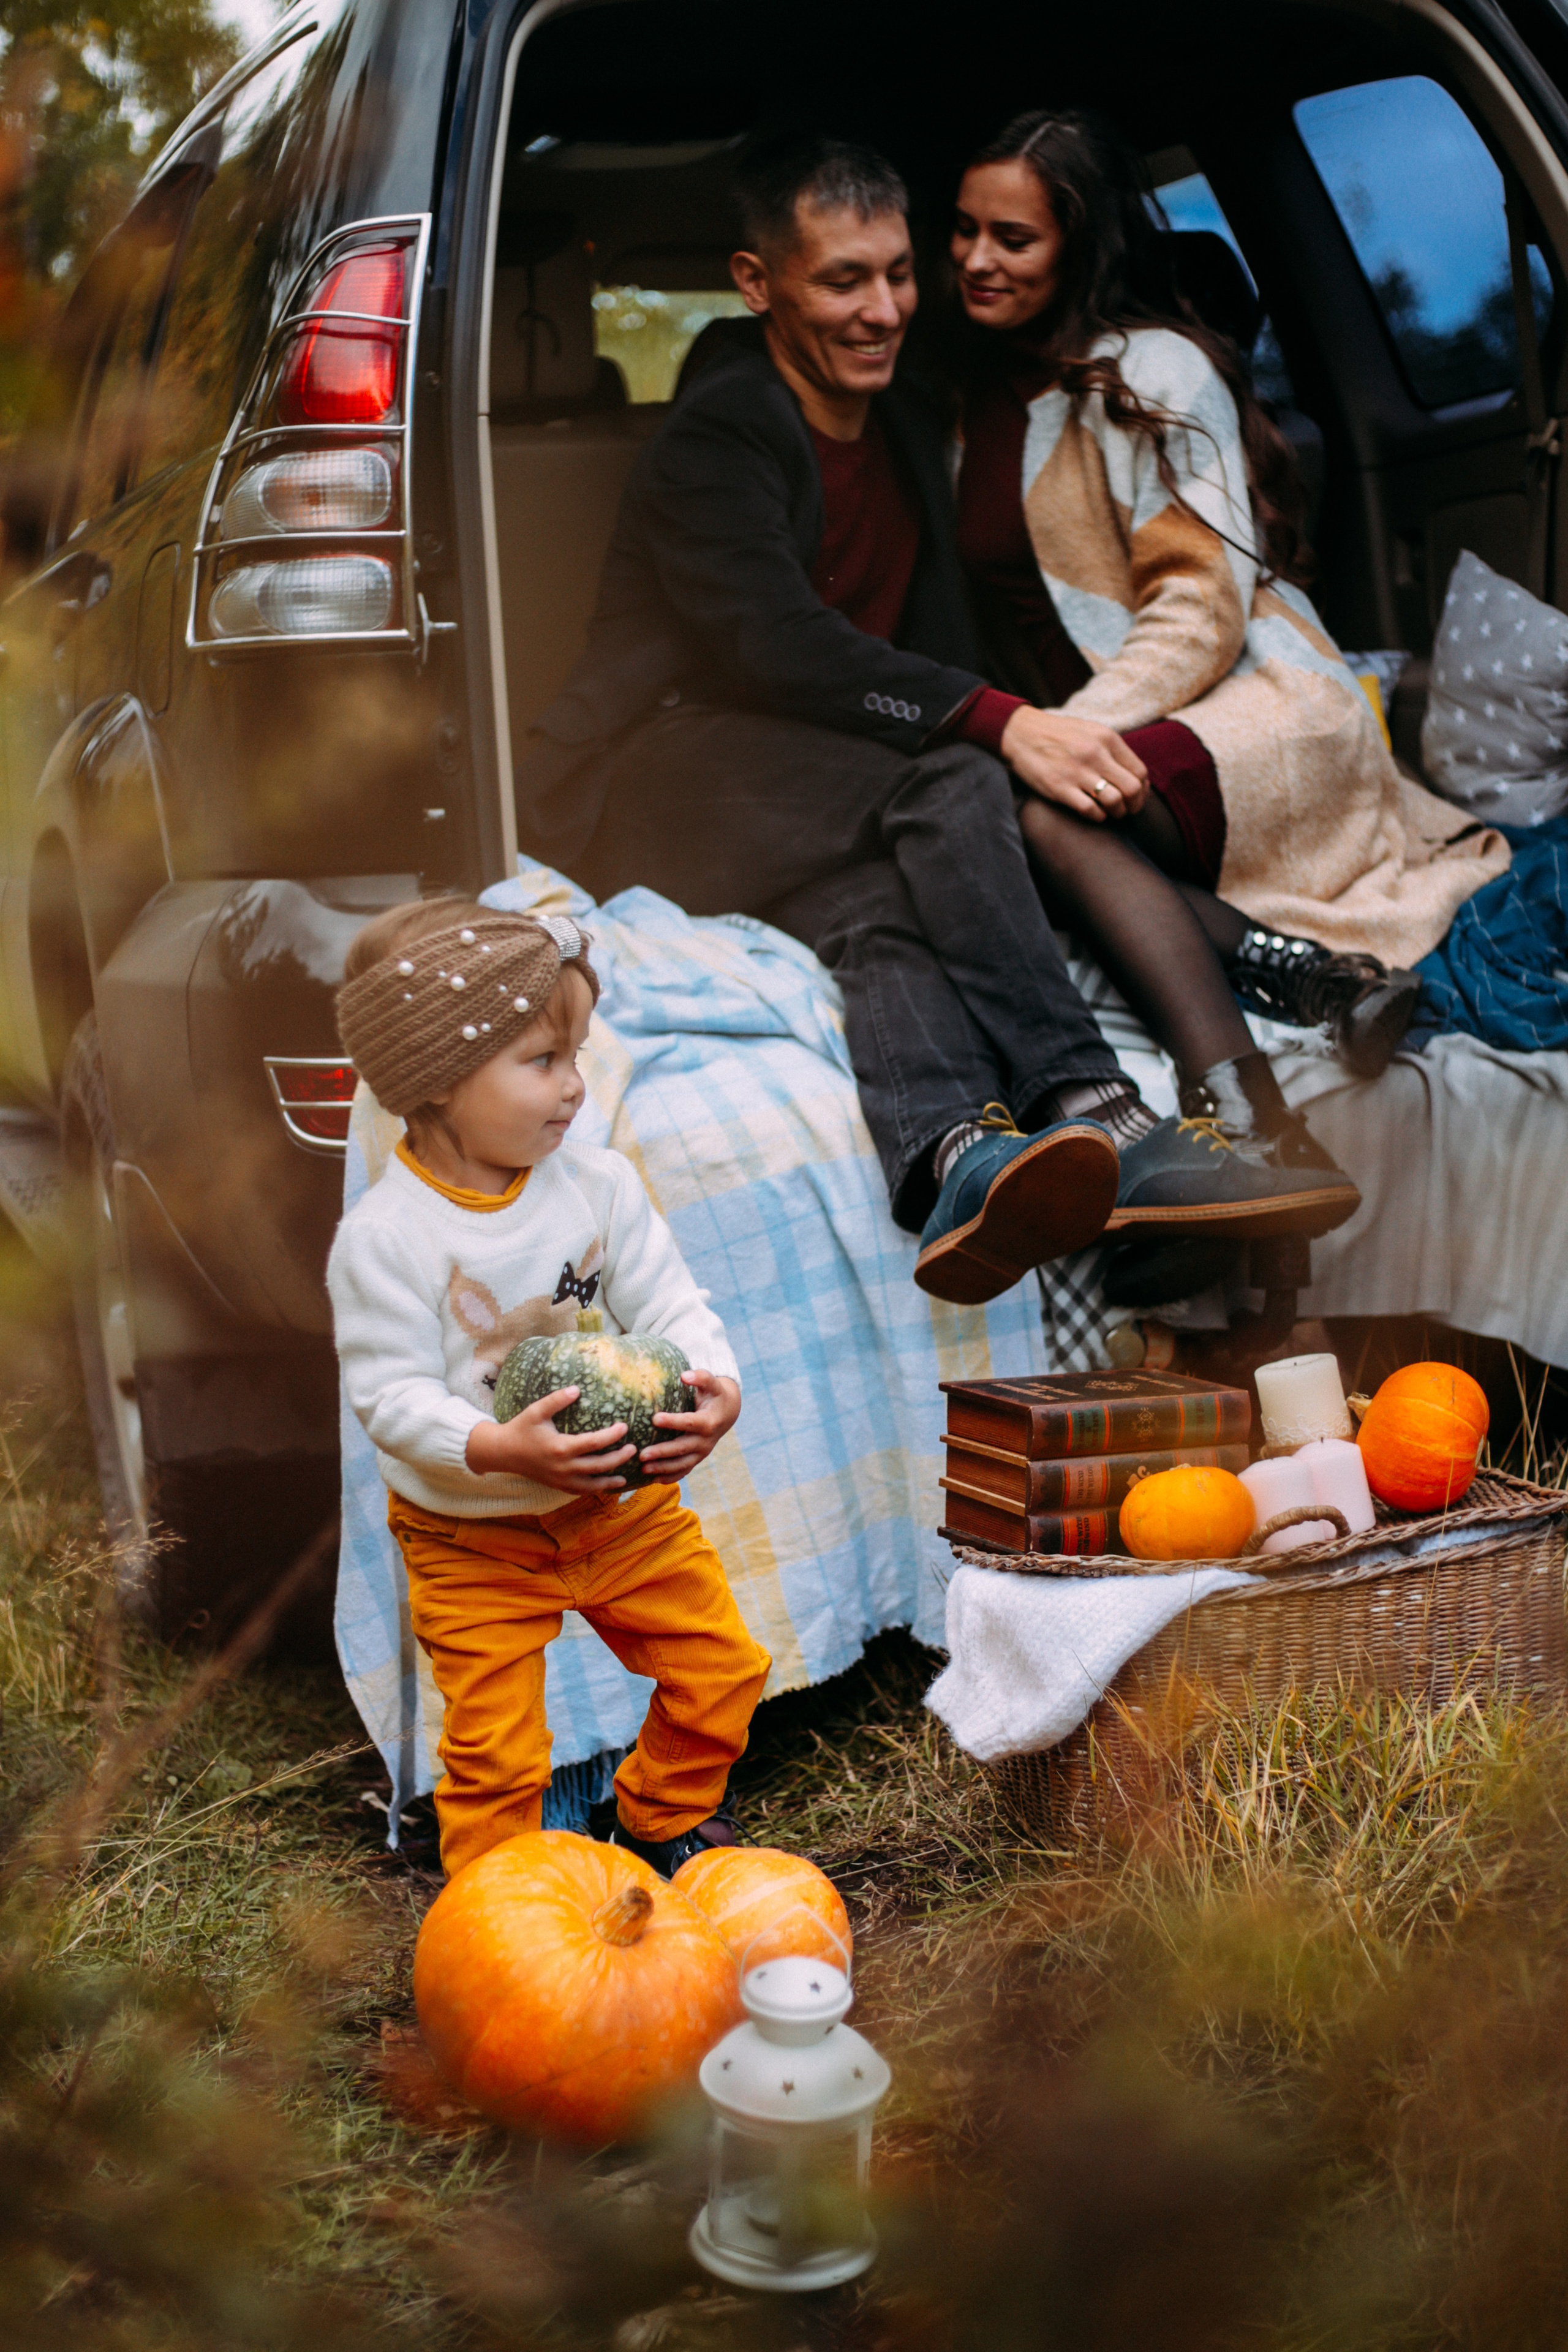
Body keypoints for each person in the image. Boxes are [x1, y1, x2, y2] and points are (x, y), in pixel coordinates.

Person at [515, 134, 1361, 1308]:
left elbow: (935, 637)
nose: (883, 310)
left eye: (898, 275)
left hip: (805, 795)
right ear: (758, 284)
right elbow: (774, 645)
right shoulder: (720, 434)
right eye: (841, 281)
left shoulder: (910, 420)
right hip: (657, 773)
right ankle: (1102, 1114)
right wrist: (999, 723)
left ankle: (958, 1157)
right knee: (958, 780)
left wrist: (1019, 714)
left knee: (878, 914)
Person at [949, 108, 1512, 1159]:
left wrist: (1063, 736)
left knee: (1048, 818)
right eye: (964, 229)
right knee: (1007, 813)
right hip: (1106, 727)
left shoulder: (1155, 373)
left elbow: (1198, 610)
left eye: (1012, 238)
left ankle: (1248, 1120)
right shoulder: (960, 398)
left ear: (1077, 244)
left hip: (1252, 704)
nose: (978, 259)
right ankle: (1317, 983)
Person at [326, 897, 771, 1880]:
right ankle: (502, 1913)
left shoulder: (598, 1187)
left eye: (576, 1058)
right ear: (436, 1083)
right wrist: (496, 1448)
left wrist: (715, 1385)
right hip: (470, 1536)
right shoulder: (387, 1238)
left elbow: (672, 1301)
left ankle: (658, 1819)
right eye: (543, 1063)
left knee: (719, 1669)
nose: (575, 1089)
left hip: (617, 1511)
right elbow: (389, 1398)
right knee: (495, 1754)